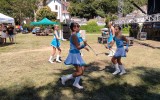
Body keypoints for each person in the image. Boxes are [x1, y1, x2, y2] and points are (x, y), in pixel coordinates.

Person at [60, 22, 89, 89]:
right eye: (78, 26)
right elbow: (78, 47)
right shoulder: (74, 36)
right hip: (74, 55)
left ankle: (75, 83)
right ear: (74, 28)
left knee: (83, 68)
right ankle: (64, 78)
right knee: (80, 72)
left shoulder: (75, 35)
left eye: (79, 26)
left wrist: (84, 46)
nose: (79, 28)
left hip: (76, 54)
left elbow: (77, 45)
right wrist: (84, 44)